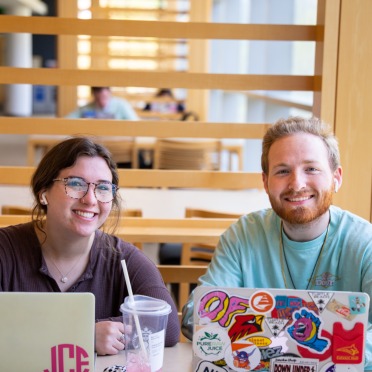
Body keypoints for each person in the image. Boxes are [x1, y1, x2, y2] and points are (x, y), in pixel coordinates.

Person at [181, 116, 372, 367]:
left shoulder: (364, 242)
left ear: (336, 177)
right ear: (265, 182)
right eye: (283, 171)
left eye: (311, 169)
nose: (297, 184)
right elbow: (199, 314)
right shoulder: (242, 236)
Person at [0, 137, 180, 355]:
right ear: (43, 192)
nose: (90, 199)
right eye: (75, 184)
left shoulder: (123, 258)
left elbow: (167, 327)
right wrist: (83, 334)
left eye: (103, 188)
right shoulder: (5, 250)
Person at [67, 86, 139, 120]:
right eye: (99, 98)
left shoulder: (121, 105)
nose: (102, 102)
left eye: (104, 97)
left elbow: (135, 123)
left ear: (110, 92)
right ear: (94, 95)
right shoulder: (86, 108)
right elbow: (68, 120)